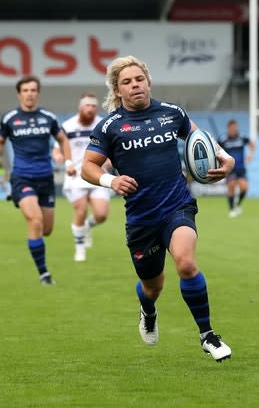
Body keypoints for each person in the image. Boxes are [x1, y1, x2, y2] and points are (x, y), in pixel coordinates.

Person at [81, 55, 234, 362]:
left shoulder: (171, 113)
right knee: (153, 286)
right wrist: (111, 181)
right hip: (141, 218)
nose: (135, 85)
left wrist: (225, 158)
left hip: (177, 206)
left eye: (139, 79)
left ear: (148, 81)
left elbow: (197, 136)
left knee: (187, 263)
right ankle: (148, 310)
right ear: (118, 90)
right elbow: (88, 166)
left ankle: (207, 335)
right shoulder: (110, 127)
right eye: (126, 82)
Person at [0, 75, 75, 285]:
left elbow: (62, 139)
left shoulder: (48, 117)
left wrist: (68, 162)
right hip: (22, 177)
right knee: (35, 220)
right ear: (19, 94)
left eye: (33, 90)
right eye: (25, 90)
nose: (29, 94)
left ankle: (21, 201)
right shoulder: (10, 118)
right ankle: (44, 274)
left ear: (38, 93)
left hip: (45, 178)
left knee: (47, 229)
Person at [53, 92, 111, 262]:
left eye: (93, 106)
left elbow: (111, 147)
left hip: (97, 173)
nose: (91, 109)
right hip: (75, 175)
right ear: (80, 107)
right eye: (87, 105)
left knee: (101, 214)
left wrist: (109, 159)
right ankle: (80, 250)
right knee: (81, 209)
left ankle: (86, 227)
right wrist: (62, 159)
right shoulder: (68, 126)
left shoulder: (102, 124)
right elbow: (57, 147)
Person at [217, 119, 255, 217]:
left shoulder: (242, 137)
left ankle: (237, 204)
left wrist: (250, 155)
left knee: (244, 188)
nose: (234, 129)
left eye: (235, 127)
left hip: (241, 168)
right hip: (230, 168)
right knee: (231, 186)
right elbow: (215, 149)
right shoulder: (223, 139)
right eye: (232, 128)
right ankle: (232, 209)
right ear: (228, 128)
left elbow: (252, 144)